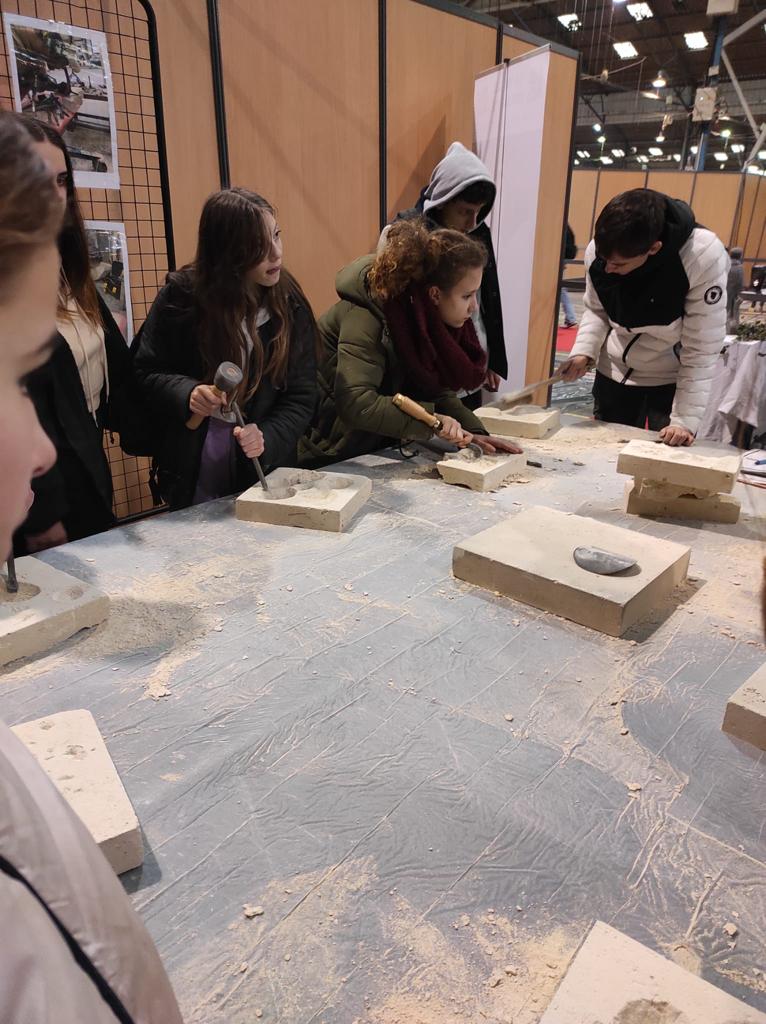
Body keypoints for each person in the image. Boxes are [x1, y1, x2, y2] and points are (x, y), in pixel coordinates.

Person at [0, 111, 183, 1022]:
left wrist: (182, 408)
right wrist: (44, 519)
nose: (31, 443)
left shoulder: (76, 283)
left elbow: (120, 392)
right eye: (9, 376)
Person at [133, 187, 318, 510]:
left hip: (263, 467)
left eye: (276, 235)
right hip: (193, 459)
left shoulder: (289, 303)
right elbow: (144, 372)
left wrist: (267, 437)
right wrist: (188, 393)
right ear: (228, 250)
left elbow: (302, 396)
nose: (276, 253)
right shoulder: (182, 298)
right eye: (258, 245)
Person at [301, 219, 522, 467]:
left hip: (365, 446)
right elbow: (358, 403)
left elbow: (433, 386)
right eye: (467, 296)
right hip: (322, 450)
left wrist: (474, 432)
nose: (474, 307)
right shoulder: (367, 316)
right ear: (435, 294)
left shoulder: (423, 315)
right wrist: (432, 421)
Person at [12, 114, 133, 555]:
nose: (55, 196)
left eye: (62, 180)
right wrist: (41, 516)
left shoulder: (67, 267)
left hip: (86, 466)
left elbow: (121, 374)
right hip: (34, 496)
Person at [561, 188, 728, 447]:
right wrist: (584, 351)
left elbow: (701, 346)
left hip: (669, 380)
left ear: (653, 248)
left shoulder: (700, 256)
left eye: (618, 264)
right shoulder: (601, 251)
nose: (608, 269)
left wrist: (684, 421)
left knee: (665, 457)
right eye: (605, 260)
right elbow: (597, 309)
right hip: (612, 374)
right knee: (604, 452)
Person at [381, 141, 508, 409]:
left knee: (469, 430)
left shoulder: (477, 231)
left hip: (467, 360)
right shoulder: (403, 235)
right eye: (465, 211)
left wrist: (492, 358)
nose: (472, 222)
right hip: (422, 370)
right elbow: (395, 313)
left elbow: (487, 297)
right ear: (442, 201)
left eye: (479, 212)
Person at [560, 224, 577, 329]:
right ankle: (570, 318)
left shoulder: (561, 225)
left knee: (561, 289)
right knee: (561, 289)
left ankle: (571, 317)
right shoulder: (566, 225)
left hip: (560, 257)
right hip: (564, 256)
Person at [726, 247, 744, 333]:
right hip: (733, 294)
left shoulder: (725, 265)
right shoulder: (739, 268)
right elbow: (740, 283)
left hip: (723, 292)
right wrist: (739, 294)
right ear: (740, 256)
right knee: (733, 313)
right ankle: (731, 331)